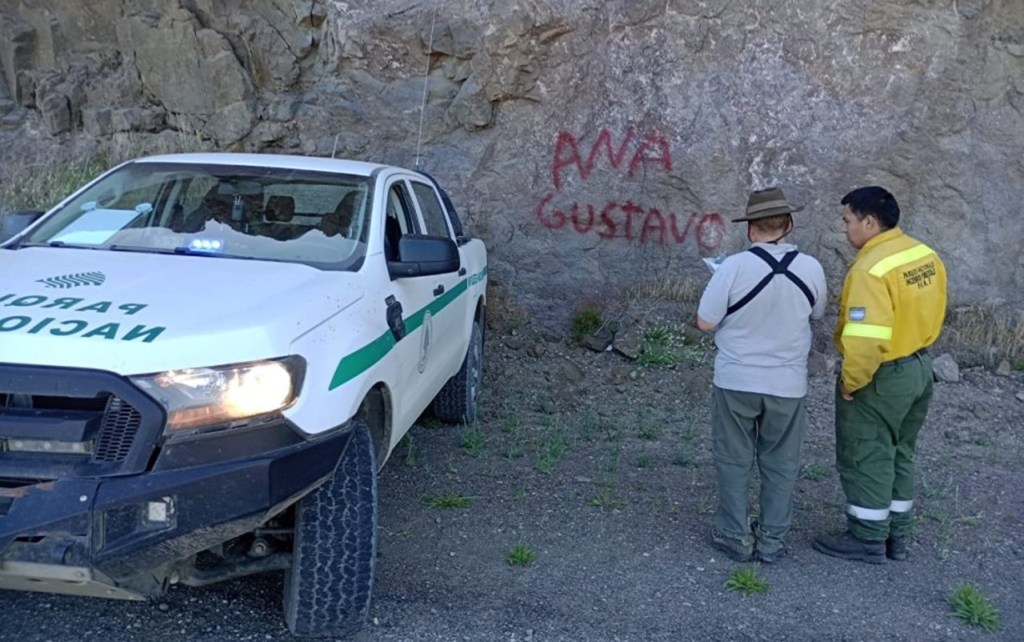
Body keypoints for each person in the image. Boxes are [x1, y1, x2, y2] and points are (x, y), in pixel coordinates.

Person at [813, 186, 947, 564]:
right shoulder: (923, 254)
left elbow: (865, 339)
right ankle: (896, 534)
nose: (844, 228)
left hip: (882, 376)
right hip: (919, 367)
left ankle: (867, 537)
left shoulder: (870, 270)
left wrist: (851, 381)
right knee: (900, 451)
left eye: (847, 220)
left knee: (867, 454)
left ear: (869, 222)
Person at [696, 187, 827, 563]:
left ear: (751, 228)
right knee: (781, 462)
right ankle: (772, 539)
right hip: (787, 383)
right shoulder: (812, 268)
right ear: (789, 225)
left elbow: (705, 323)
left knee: (733, 458)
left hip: (736, 379)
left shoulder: (733, 267)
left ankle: (734, 535)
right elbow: (817, 314)